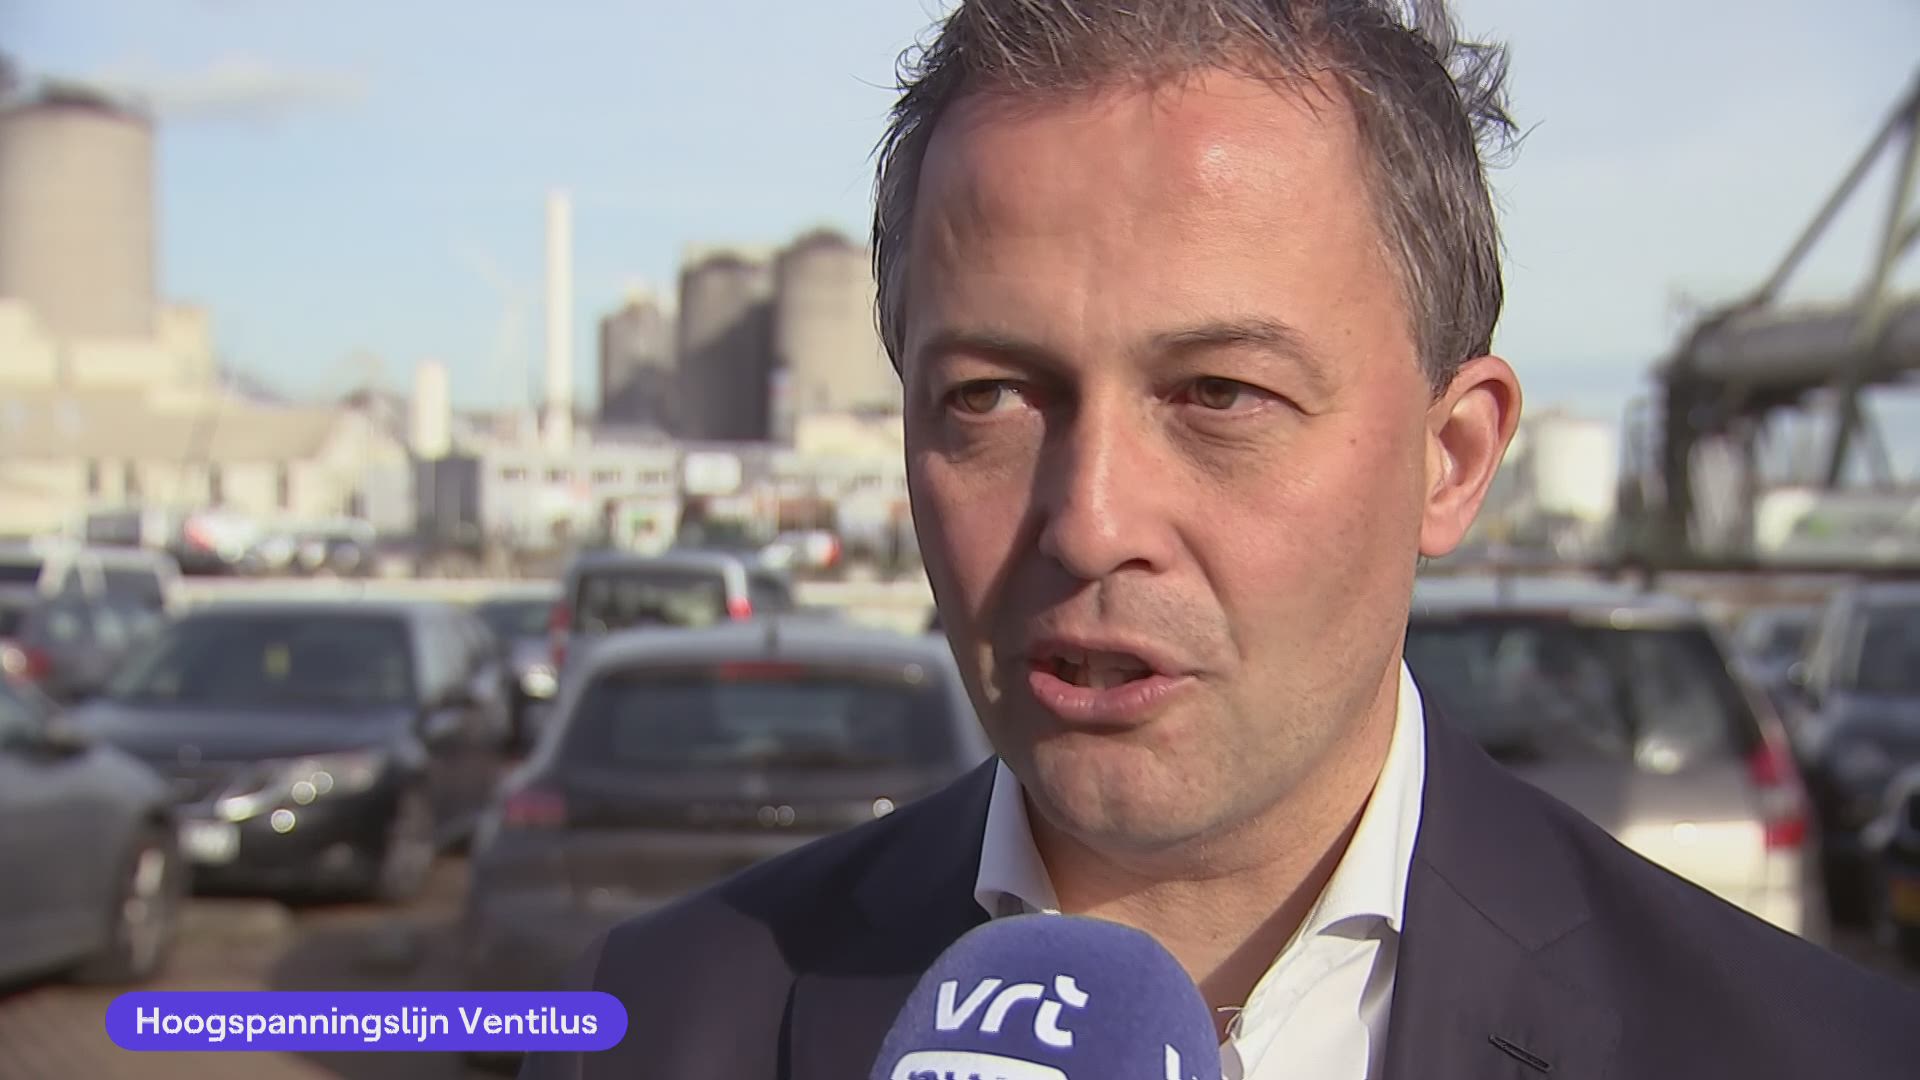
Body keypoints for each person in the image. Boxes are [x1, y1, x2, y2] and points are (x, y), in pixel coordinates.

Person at [520, 3, 1920, 1077]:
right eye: (991, 396)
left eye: (1220, 396)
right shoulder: (656, 1025)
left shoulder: (1811, 1053)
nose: (1092, 522)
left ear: (1452, 459)